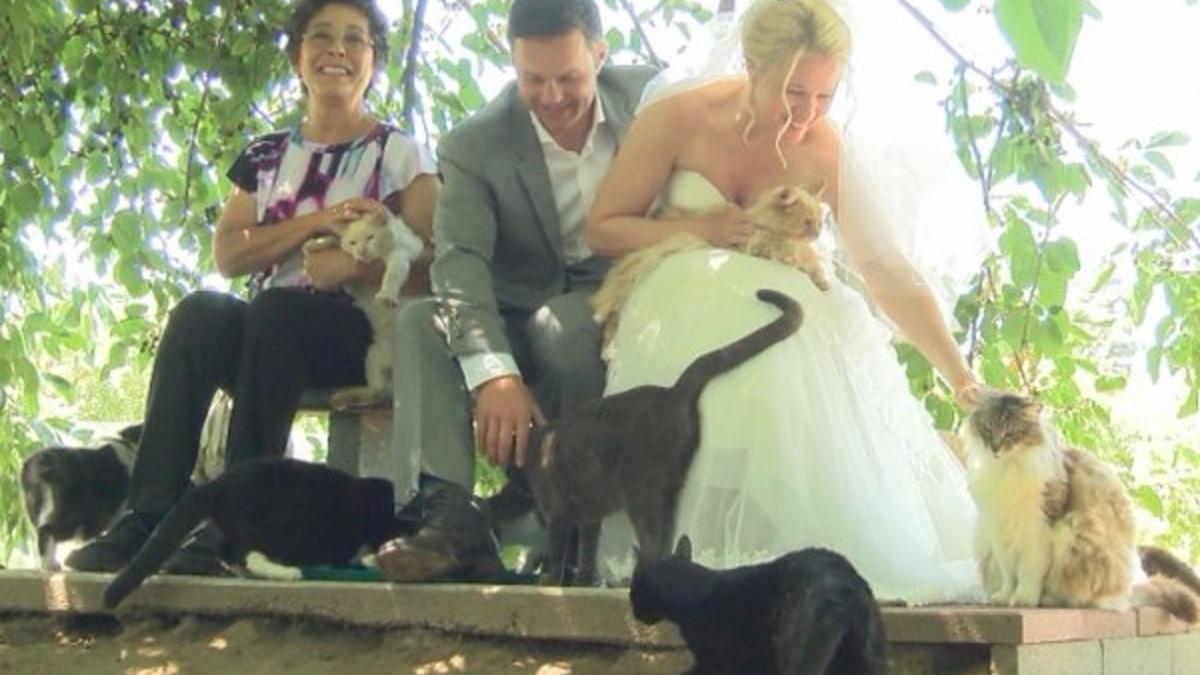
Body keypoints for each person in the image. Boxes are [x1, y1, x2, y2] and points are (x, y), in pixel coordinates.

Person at [586, 0, 985, 602]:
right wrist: (699, 234)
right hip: (681, 298)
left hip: (790, 309)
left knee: (793, 347)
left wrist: (961, 377)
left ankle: (799, 557)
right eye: (794, 93)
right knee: (745, 356)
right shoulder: (678, 117)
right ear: (752, 64)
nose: (806, 114)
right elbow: (605, 227)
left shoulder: (824, 146)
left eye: (824, 97)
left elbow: (883, 268)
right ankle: (698, 556)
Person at [66, 0, 438, 573]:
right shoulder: (266, 155)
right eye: (321, 36)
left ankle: (230, 524)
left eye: (354, 39)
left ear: (374, 61)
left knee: (277, 311)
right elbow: (229, 253)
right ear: (297, 57)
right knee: (200, 314)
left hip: (357, 334)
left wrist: (358, 267)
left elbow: (436, 261)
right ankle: (147, 513)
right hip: (270, 333)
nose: (337, 49)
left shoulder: (400, 152)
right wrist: (315, 223)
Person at [375, 0, 656, 578]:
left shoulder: (653, 101)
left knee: (567, 328)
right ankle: (450, 518)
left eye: (569, 77)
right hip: (506, 308)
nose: (552, 96)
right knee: (418, 322)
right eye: (533, 79)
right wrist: (494, 373)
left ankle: (574, 528)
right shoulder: (473, 144)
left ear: (600, 56)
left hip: (610, 299)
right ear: (513, 66)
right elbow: (460, 262)